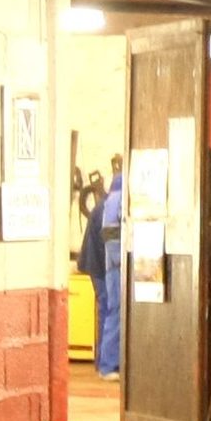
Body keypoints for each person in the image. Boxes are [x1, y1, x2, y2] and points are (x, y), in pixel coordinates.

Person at [78, 157, 125, 377]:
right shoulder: (110, 206)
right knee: (109, 310)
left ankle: (102, 362)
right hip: (101, 267)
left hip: (98, 265)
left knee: (107, 311)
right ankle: (106, 364)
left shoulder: (105, 205)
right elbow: (109, 241)